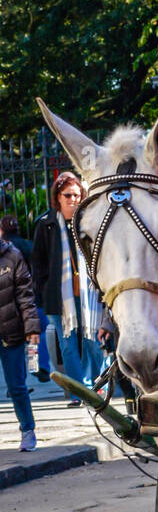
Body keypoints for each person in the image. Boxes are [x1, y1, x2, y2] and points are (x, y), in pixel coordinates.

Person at [31, 172, 104, 404]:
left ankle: (98, 386)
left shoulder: (89, 221)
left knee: (93, 340)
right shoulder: (46, 224)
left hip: (89, 294)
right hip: (59, 296)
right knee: (68, 345)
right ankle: (77, 392)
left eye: (77, 194)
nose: (74, 199)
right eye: (68, 195)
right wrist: (44, 292)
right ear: (58, 197)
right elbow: (38, 263)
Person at [0, 228, 40, 451]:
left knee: (16, 386)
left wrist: (31, 327)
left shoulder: (12, 256)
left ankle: (27, 430)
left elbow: (25, 295)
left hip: (10, 332)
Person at [0, 215, 51, 380]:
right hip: (32, 296)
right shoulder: (28, 245)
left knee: (15, 343)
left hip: (9, 301)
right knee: (37, 333)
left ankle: (19, 375)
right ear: (18, 229)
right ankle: (37, 365)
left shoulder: (6, 249)